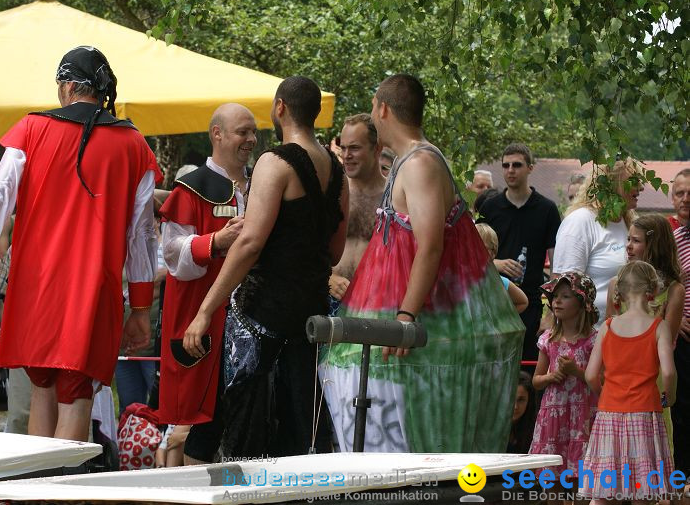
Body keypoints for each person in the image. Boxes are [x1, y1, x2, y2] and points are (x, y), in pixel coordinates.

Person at [0, 46, 161, 441]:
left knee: (42, 387)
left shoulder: (31, 129)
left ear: (67, 86)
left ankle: (39, 492)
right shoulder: (134, 146)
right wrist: (142, 306)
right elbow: (142, 235)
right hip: (94, 289)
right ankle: (64, 493)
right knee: (76, 395)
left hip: (36, 285)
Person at [320, 74, 522, 453]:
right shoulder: (407, 162)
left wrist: (405, 317)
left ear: (383, 108)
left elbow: (430, 245)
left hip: (429, 334)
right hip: (409, 327)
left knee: (414, 446)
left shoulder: (420, 163)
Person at [183, 75, 348, 458]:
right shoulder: (338, 174)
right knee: (296, 429)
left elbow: (251, 242)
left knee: (232, 426)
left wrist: (205, 310)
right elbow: (335, 251)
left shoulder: (275, 162)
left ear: (280, 109)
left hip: (263, 315)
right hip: (310, 316)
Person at [157, 103, 256, 465]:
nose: (251, 139)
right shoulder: (191, 188)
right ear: (217, 134)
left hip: (254, 321)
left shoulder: (263, 182)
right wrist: (214, 242)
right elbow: (172, 255)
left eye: (253, 132)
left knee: (245, 420)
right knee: (201, 425)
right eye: (242, 131)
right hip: (207, 323)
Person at [581, 261, 676, 502]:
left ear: (620, 292)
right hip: (645, 415)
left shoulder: (608, 327)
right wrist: (670, 397)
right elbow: (668, 372)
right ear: (653, 291)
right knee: (642, 493)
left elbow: (591, 374)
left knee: (602, 494)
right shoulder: (659, 327)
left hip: (609, 415)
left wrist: (605, 393)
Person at [605, 213, 683, 456]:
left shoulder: (673, 291)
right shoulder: (616, 284)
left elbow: (666, 344)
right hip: (618, 374)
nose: (628, 246)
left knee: (651, 447)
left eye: (636, 241)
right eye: (628, 239)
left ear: (654, 245)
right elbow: (608, 336)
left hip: (651, 375)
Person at [476, 143, 560, 366]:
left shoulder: (547, 209)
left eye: (517, 165)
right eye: (505, 165)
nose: (510, 170)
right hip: (493, 305)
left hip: (532, 304)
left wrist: (551, 314)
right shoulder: (490, 207)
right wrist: (496, 264)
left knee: (527, 374)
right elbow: (471, 258)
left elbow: (557, 264)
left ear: (530, 168)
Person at [553, 160, 642, 324]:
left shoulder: (628, 222)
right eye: (633, 181)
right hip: (587, 337)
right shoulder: (580, 221)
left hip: (622, 333)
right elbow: (564, 286)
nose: (641, 187)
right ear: (612, 184)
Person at [528, 272, 598, 479]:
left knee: (582, 481)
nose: (557, 300)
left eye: (566, 296)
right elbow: (536, 381)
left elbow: (600, 380)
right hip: (553, 417)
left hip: (583, 417)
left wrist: (576, 372)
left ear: (582, 303)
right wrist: (552, 376)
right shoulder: (548, 339)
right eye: (555, 296)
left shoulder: (594, 341)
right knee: (553, 480)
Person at [327, 114, 387, 313]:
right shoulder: (333, 192)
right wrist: (328, 278)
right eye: (343, 148)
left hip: (376, 306)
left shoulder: (394, 197)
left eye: (354, 148)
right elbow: (308, 247)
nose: (346, 155)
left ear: (377, 148)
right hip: (332, 301)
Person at [668, 168, 690, 482]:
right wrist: (678, 316)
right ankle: (683, 477)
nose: (686, 199)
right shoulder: (672, 240)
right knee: (682, 410)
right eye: (680, 193)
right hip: (682, 337)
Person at [475, 223, 528, 313]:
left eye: (481, 247)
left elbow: (523, 302)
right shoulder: (459, 279)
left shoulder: (499, 282)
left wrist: (502, 320)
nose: (474, 251)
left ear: (492, 254)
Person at [508, 371, 537, 454]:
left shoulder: (535, 429)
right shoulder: (489, 428)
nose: (515, 407)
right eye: (511, 399)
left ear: (529, 401)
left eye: (521, 400)